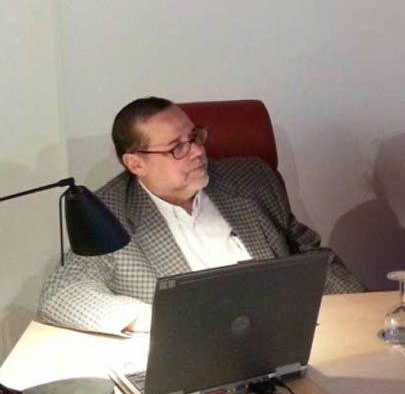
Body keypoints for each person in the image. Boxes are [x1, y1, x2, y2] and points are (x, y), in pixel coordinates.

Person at [38, 97, 363, 334]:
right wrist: (157, 322)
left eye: (194, 137)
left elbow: (312, 256)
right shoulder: (109, 212)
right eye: (176, 147)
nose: (197, 151)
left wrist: (358, 310)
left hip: (287, 333)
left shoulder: (252, 180)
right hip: (199, 353)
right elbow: (61, 295)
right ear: (136, 163)